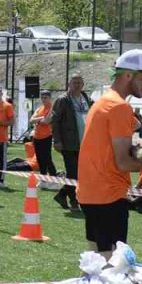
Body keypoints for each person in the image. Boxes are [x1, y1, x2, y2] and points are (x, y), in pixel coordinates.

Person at [76, 50, 142, 252]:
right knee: (113, 266)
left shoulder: (104, 101)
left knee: (96, 262)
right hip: (108, 195)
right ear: (128, 75)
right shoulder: (119, 107)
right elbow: (123, 163)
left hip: (92, 193)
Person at [50, 74, 89, 211]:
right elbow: (55, 121)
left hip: (83, 143)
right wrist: (57, 140)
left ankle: (62, 194)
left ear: (83, 84)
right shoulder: (63, 100)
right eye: (74, 82)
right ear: (69, 84)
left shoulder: (86, 98)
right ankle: (74, 201)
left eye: (79, 82)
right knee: (73, 173)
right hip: (68, 143)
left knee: (80, 174)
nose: (77, 85)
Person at [29, 91, 57, 176]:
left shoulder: (52, 108)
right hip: (36, 137)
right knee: (39, 158)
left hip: (46, 136)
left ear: (50, 98)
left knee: (47, 158)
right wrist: (41, 117)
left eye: (46, 98)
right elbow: (31, 120)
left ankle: (53, 176)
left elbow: (46, 121)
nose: (43, 100)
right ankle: (43, 176)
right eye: (42, 98)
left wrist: (37, 119)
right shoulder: (39, 108)